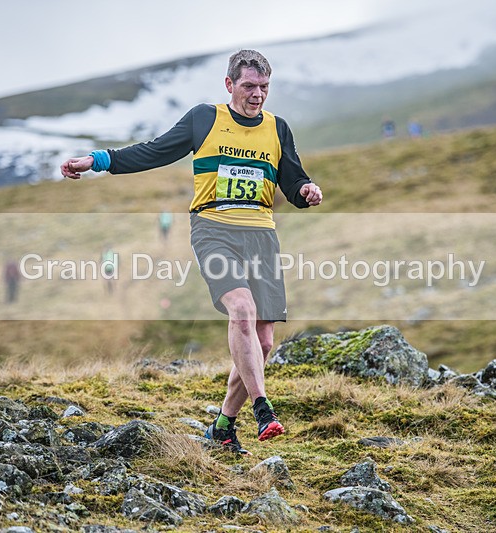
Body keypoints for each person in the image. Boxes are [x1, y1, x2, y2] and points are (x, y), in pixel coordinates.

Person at [61, 49, 323, 455]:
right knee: (241, 310)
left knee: (264, 343)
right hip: (213, 228)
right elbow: (154, 150)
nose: (257, 95)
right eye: (250, 87)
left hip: (261, 235)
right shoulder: (205, 119)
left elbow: (292, 180)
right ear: (230, 85)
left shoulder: (277, 128)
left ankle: (222, 427)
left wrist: (306, 191)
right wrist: (95, 160)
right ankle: (262, 408)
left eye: (264, 88)